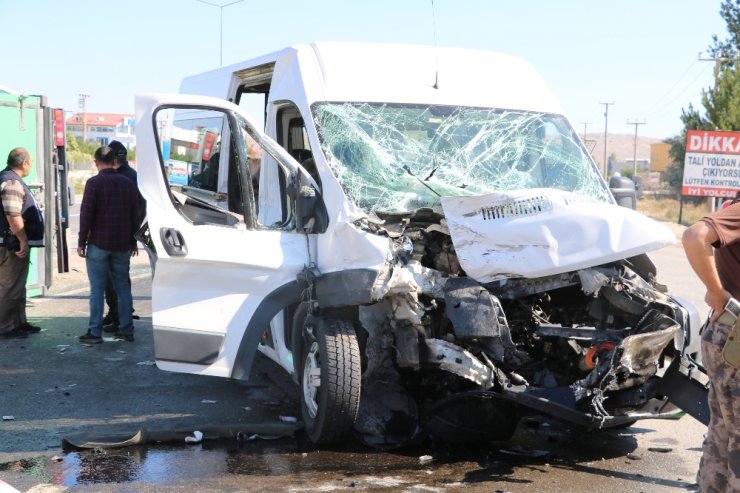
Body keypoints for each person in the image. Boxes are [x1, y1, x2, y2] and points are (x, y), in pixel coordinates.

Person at [683, 196, 740, 493]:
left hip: (726, 338)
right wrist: (716, 293)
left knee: (722, 435)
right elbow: (695, 237)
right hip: (734, 338)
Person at [77, 146, 139, 344]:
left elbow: (86, 215)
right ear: (114, 161)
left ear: (96, 162)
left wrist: (81, 242)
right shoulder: (128, 183)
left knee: (97, 289)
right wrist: (133, 241)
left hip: (99, 245)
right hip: (122, 246)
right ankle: (127, 330)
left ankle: (95, 333)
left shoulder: (93, 183)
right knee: (123, 287)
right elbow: (135, 215)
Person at [0, 148, 44, 338]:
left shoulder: (10, 179)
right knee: (10, 287)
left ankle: (19, 322)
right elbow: (13, 214)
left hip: (11, 243)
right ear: (24, 163)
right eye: (31, 162)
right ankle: (4, 326)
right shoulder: (11, 181)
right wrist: (23, 240)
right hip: (11, 246)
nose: (31, 165)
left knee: (17, 285)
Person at [101, 140, 144, 331]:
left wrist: (133, 237)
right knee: (110, 280)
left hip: (118, 238)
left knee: (118, 279)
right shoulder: (126, 175)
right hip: (120, 237)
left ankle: (120, 317)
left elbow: (138, 210)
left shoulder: (128, 177)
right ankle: (115, 313)